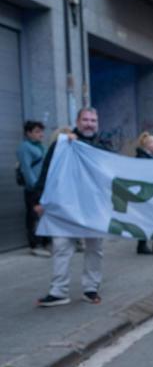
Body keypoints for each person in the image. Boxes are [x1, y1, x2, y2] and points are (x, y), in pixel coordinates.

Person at [34, 108, 107, 307]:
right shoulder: (63, 143)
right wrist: (38, 198)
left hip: (93, 207)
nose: (90, 123)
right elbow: (47, 170)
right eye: (86, 119)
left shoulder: (102, 146)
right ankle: (58, 291)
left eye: (93, 120)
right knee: (61, 247)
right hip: (65, 204)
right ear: (77, 120)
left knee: (94, 248)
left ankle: (91, 289)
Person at [17, 120, 50, 257]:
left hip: (43, 187)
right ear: (28, 133)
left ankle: (45, 242)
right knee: (33, 216)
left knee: (44, 215)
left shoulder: (40, 146)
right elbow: (26, 169)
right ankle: (35, 245)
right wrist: (35, 187)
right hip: (33, 188)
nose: (41, 134)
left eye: (41, 131)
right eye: (37, 131)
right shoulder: (25, 147)